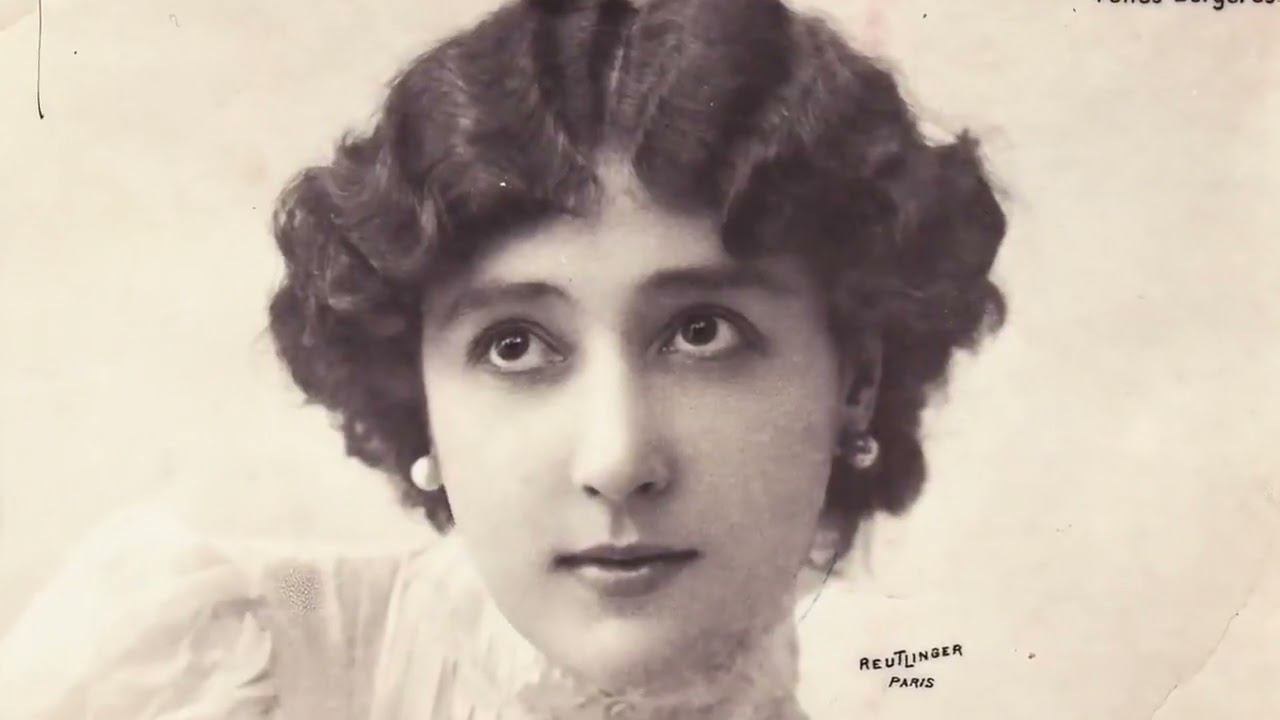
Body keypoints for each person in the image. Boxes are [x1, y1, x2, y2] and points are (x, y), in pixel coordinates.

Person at [0, 0, 1007, 717]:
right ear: (419, 395)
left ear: (855, 380)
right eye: (513, 344)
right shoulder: (228, 667)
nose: (616, 460)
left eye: (701, 332)